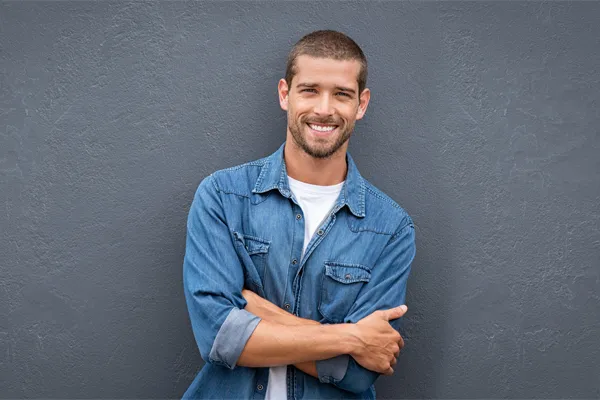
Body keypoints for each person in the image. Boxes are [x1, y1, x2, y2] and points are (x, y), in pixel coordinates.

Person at [182, 30, 416, 399]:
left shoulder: (391, 228)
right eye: (309, 90)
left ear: (362, 104)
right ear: (284, 94)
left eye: (342, 94)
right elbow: (219, 338)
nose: (324, 108)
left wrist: (257, 313)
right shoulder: (222, 197)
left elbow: (357, 373)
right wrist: (352, 337)